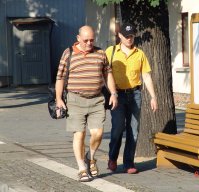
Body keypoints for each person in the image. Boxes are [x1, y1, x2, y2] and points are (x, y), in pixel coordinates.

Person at [55, 25, 118, 182]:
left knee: (97, 133)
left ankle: (91, 157)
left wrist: (114, 93)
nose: (89, 43)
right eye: (86, 40)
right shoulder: (68, 53)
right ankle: (82, 168)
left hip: (97, 100)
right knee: (80, 134)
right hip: (75, 99)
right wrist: (59, 99)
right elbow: (60, 77)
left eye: (92, 40)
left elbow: (108, 74)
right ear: (78, 38)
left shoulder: (100, 53)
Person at [105, 23, 158, 174]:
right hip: (117, 95)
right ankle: (113, 157)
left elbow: (146, 75)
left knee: (133, 130)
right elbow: (103, 72)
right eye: (126, 36)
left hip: (135, 94)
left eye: (132, 36)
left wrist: (153, 97)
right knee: (118, 128)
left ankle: (129, 162)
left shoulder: (139, 54)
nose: (129, 38)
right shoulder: (111, 52)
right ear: (120, 36)